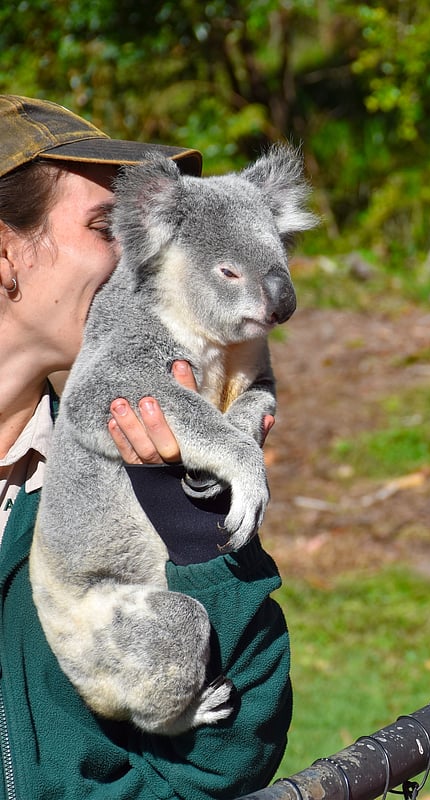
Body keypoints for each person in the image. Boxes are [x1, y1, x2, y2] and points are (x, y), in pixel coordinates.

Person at [0, 95, 291, 798]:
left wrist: (195, 527)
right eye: (108, 225)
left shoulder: (136, 454)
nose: (145, 249)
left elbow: (233, 751)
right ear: (4, 252)